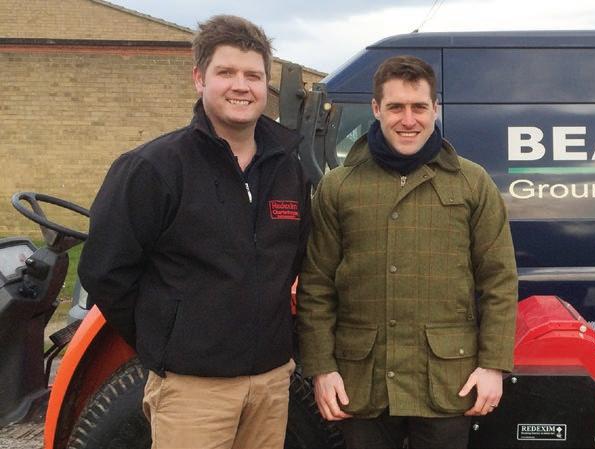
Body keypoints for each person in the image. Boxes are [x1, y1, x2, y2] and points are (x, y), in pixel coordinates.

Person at [78, 15, 310, 449]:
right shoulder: (154, 168)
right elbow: (105, 271)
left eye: (253, 75)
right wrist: (166, 341)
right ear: (199, 79)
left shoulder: (288, 170)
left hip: (271, 384)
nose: (241, 86)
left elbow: (292, 259)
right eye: (226, 72)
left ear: (266, 85)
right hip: (192, 390)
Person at [297, 55, 518, 449]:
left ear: (436, 109)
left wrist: (493, 366)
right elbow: (316, 286)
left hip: (447, 380)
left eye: (419, 107)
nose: (408, 119)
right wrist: (321, 369)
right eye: (396, 107)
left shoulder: (473, 182)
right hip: (360, 382)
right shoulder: (339, 186)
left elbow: (498, 280)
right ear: (376, 108)